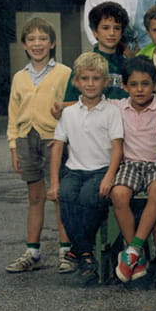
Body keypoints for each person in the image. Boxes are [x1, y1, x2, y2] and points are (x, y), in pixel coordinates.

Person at [48, 52, 124, 282]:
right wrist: (54, 182)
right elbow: (57, 148)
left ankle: (79, 250)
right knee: (66, 195)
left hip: (101, 170)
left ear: (105, 82)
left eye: (96, 79)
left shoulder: (112, 112)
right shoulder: (69, 113)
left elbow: (117, 148)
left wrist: (109, 176)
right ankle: (86, 252)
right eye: (85, 79)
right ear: (76, 82)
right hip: (74, 170)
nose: (90, 84)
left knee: (90, 198)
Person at [5, 18, 73, 274]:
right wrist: (14, 146)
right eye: (31, 39)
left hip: (54, 139)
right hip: (26, 139)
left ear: (52, 43)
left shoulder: (64, 73)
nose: (37, 44)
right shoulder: (19, 77)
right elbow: (13, 114)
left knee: (58, 195)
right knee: (35, 197)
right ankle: (32, 252)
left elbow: (73, 106)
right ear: (24, 44)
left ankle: (66, 251)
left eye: (43, 39)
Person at [109, 56, 156, 283]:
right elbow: (92, 101)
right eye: (133, 84)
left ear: (155, 85)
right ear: (125, 86)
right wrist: (60, 107)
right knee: (119, 193)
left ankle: (134, 249)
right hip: (130, 164)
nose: (139, 89)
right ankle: (137, 253)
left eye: (145, 84)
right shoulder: (117, 107)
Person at [62, 2, 130, 106]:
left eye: (117, 28)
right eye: (106, 28)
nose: (112, 33)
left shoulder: (128, 65)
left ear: (122, 32)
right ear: (95, 32)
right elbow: (69, 103)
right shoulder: (84, 64)